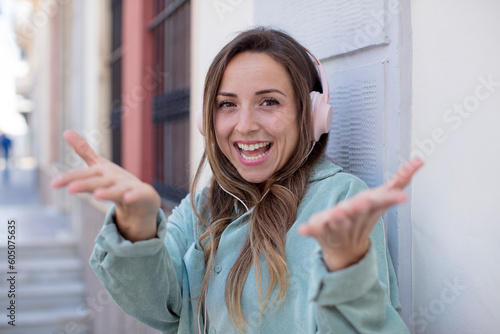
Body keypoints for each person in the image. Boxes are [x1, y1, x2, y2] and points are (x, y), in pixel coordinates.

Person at [51, 27, 422, 333]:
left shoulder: (340, 198)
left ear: (311, 116)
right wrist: (137, 226)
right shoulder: (203, 205)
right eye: (227, 104)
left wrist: (346, 273)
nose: (244, 125)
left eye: (269, 102)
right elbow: (158, 307)